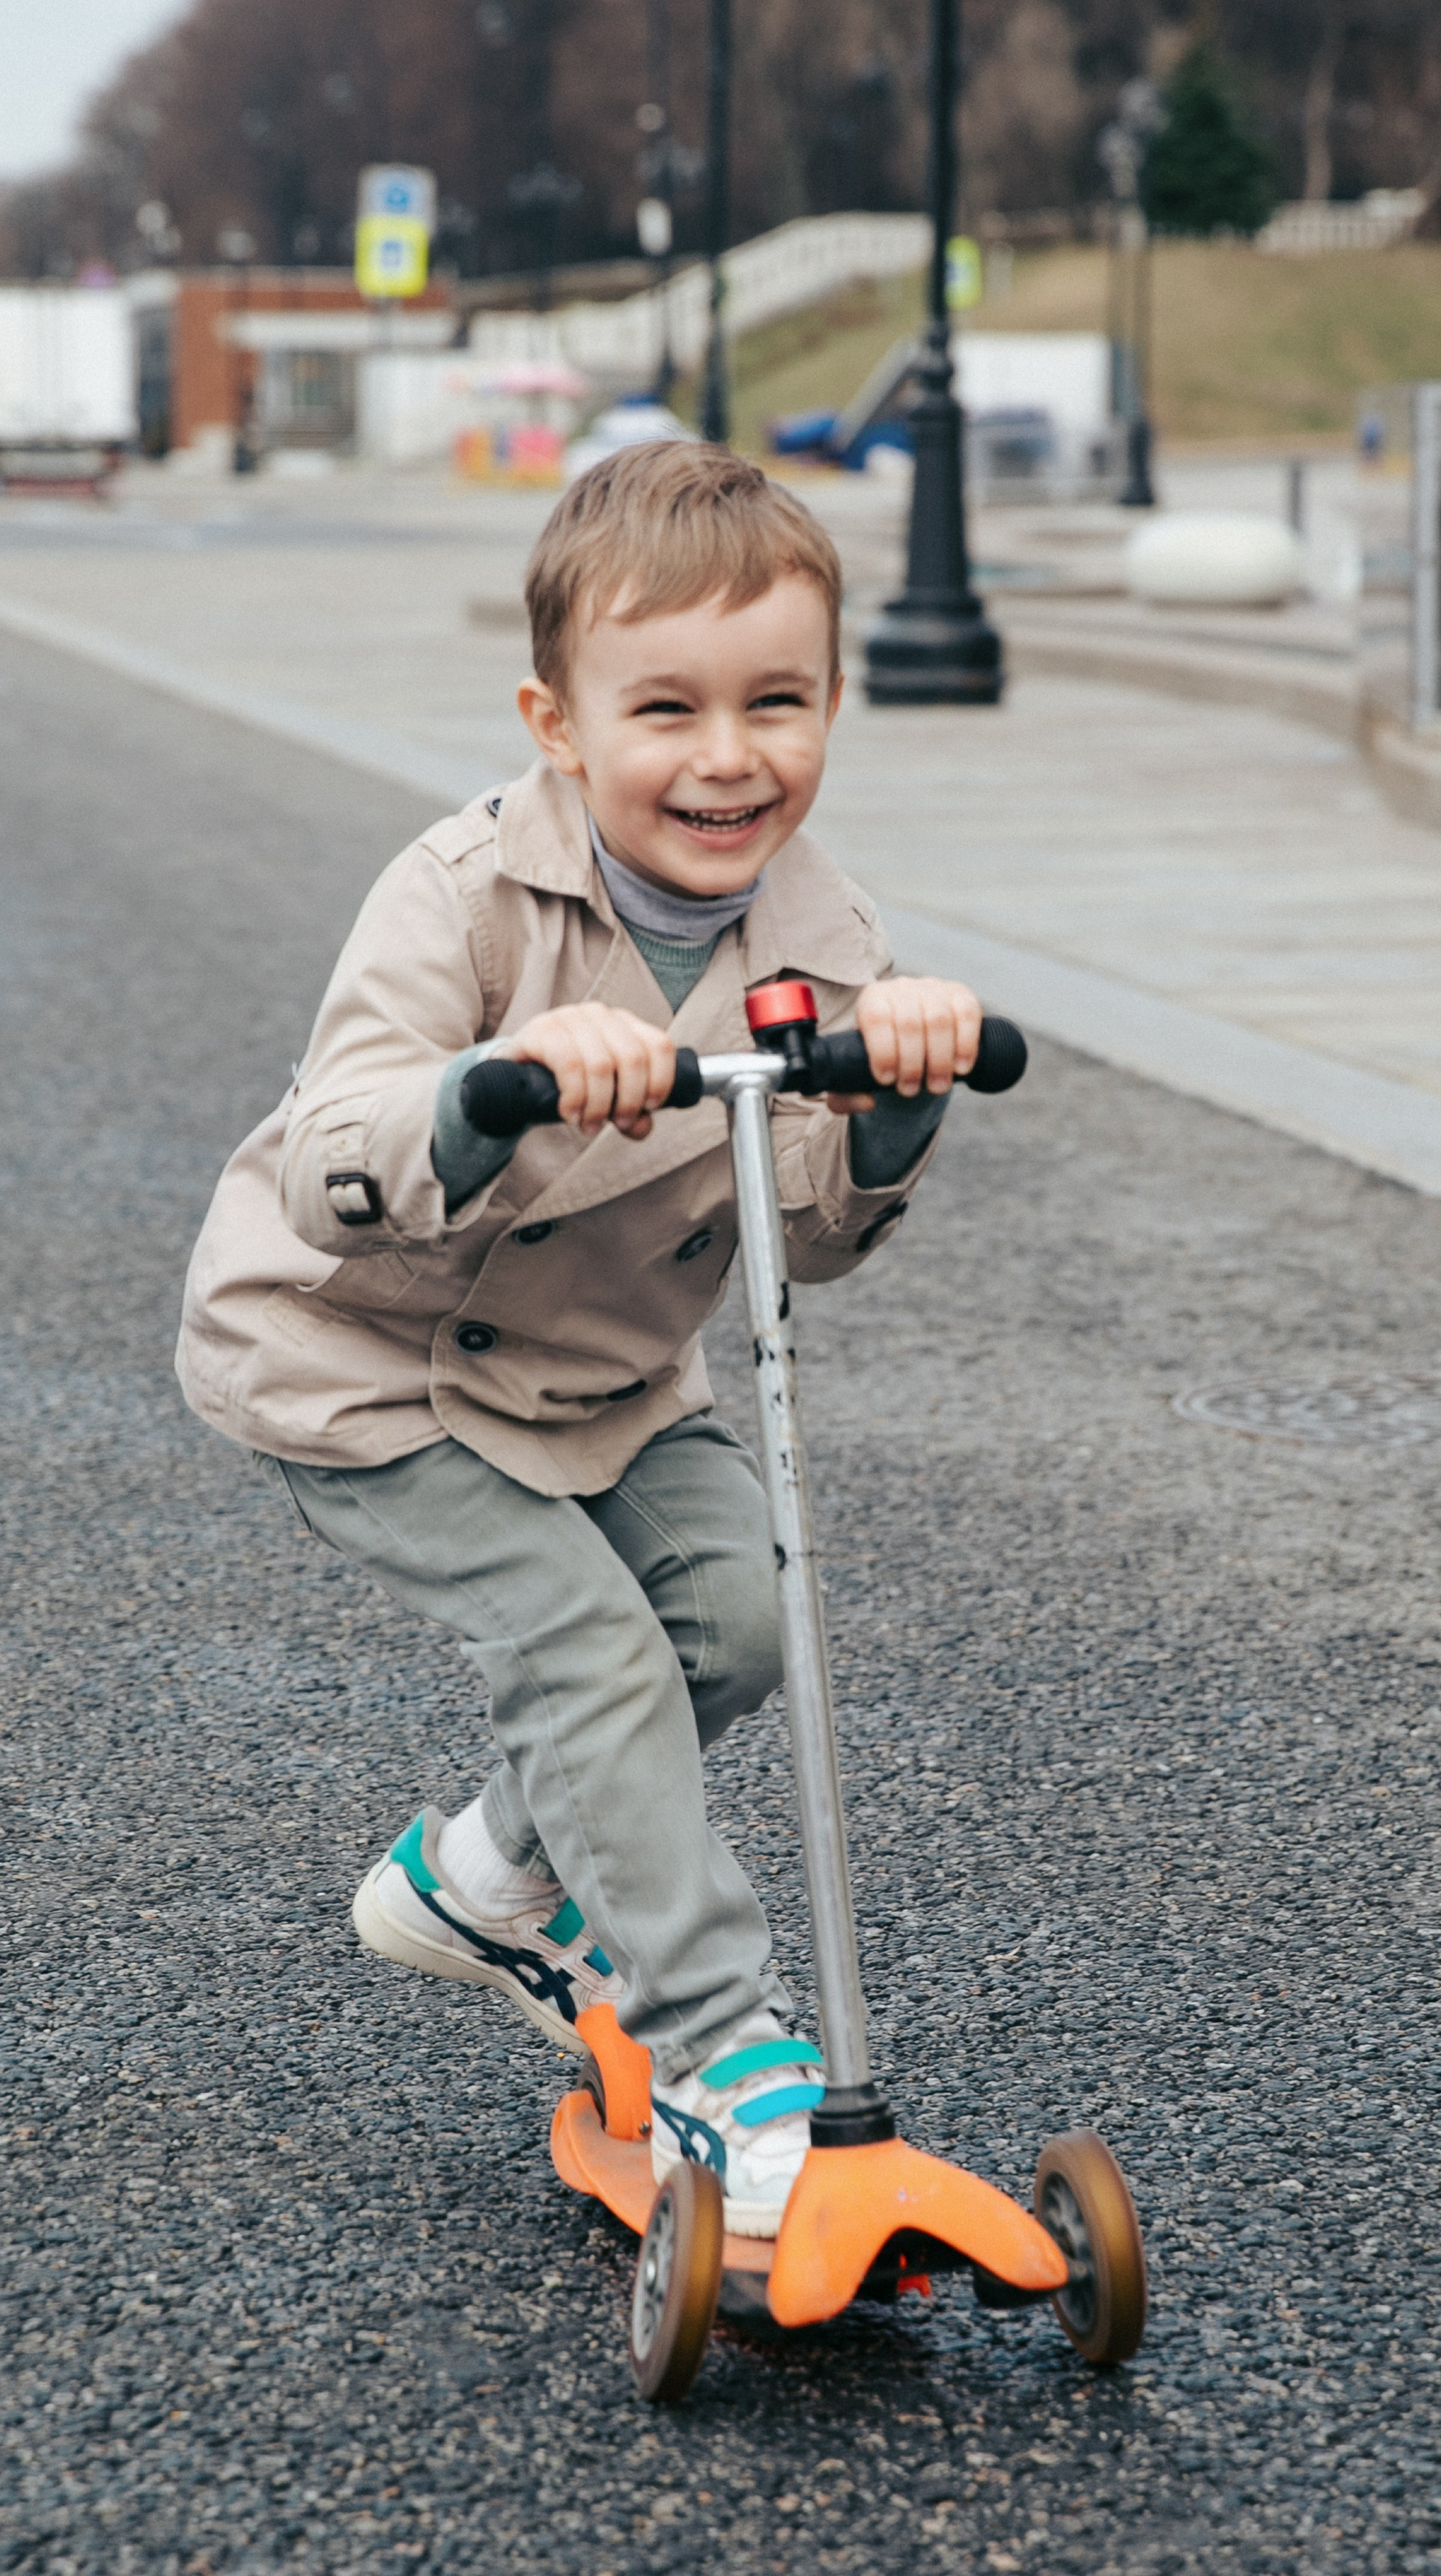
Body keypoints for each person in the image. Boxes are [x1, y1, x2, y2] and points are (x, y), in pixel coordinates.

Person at [176, 440, 984, 2236]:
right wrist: (497, 1091)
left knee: (736, 1620)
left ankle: (479, 1878)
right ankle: (720, 2051)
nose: (725, 756)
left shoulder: (826, 939)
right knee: (593, 1660)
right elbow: (335, 1163)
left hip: (600, 1379)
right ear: (557, 720)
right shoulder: (459, 896)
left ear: (832, 701)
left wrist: (899, 1096)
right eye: (665, 709)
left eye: (776, 702)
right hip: (361, 1362)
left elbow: (818, 1232)